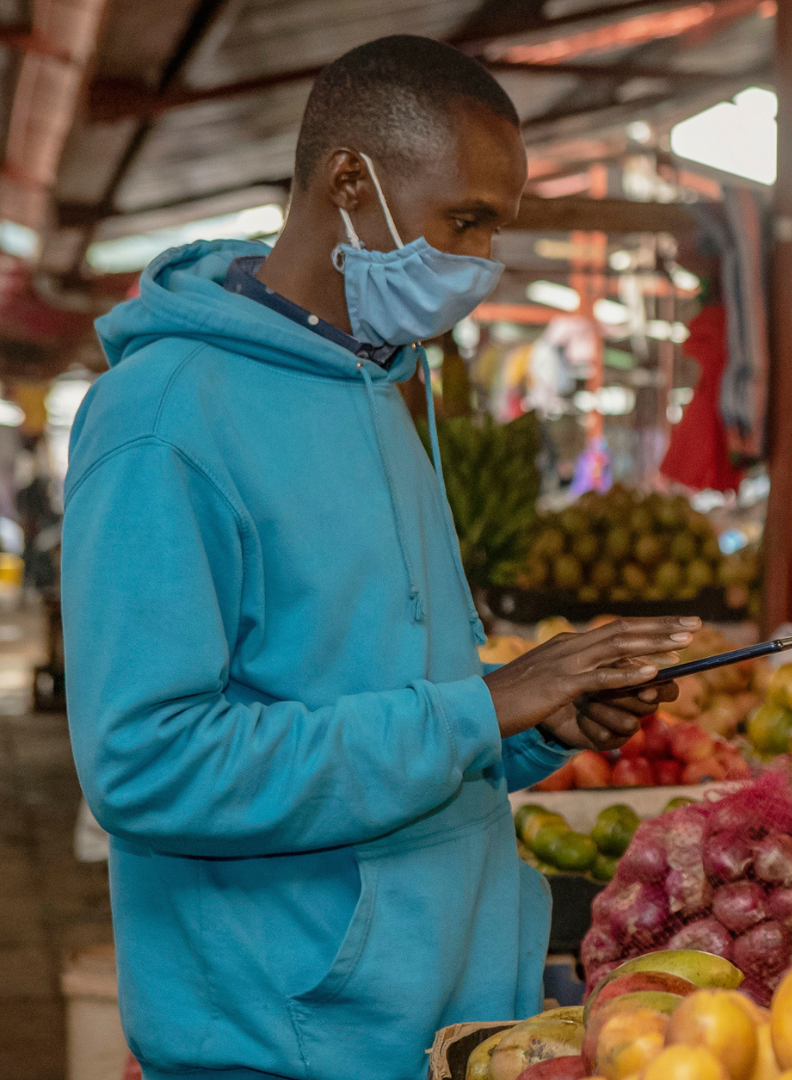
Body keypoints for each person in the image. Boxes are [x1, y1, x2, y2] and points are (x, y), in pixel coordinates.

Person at [62, 37, 690, 1078]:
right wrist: (482, 709)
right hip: (292, 1039)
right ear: (350, 180)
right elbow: (148, 764)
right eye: (466, 220)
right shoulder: (164, 417)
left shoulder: (380, 386)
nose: (483, 260)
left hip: (451, 1016)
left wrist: (530, 730)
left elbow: (364, 693)